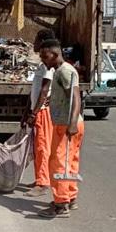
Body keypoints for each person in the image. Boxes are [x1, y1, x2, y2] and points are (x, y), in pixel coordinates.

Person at [37, 39, 84, 219]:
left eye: (45, 56)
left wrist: (71, 123)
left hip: (67, 125)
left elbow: (75, 97)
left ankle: (60, 204)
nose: (43, 60)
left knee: (59, 163)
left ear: (55, 54)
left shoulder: (65, 71)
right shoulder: (60, 71)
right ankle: (70, 198)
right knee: (70, 163)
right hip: (69, 123)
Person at [21, 29, 56, 197]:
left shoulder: (48, 67)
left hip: (42, 112)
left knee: (43, 147)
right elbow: (34, 91)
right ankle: (39, 178)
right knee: (37, 147)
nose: (33, 43)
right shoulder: (42, 65)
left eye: (35, 40)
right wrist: (27, 111)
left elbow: (44, 90)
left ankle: (43, 183)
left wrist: (34, 113)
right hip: (38, 109)